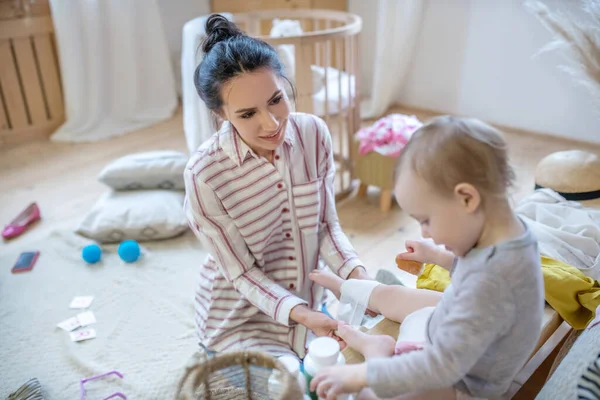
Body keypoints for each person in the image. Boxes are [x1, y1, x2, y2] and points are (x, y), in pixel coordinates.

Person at [309, 116, 545, 399]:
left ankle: (376, 354)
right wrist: (439, 257)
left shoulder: (491, 283)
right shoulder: (506, 234)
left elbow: (441, 366)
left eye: (426, 219)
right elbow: (477, 267)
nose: (424, 231)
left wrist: (361, 376)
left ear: (467, 199)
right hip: (448, 329)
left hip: (460, 382)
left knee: (369, 396)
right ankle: (352, 288)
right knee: (399, 295)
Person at [183, 14, 372, 359]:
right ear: (221, 114)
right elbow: (239, 272)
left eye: (275, 100)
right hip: (239, 318)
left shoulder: (313, 134)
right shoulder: (205, 175)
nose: (270, 124)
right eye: (247, 114)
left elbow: (326, 227)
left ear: (285, 85)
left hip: (313, 307)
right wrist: (298, 312)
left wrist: (359, 281)